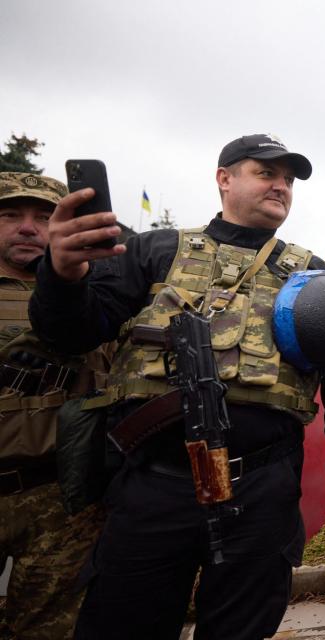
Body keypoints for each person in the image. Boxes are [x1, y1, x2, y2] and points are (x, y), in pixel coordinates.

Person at [28, 134, 325, 639]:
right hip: (155, 482)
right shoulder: (154, 250)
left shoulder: (311, 274)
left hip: (260, 489)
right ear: (224, 178)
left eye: (288, 179)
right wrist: (61, 274)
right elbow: (71, 332)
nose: (281, 185)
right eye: (265, 172)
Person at [0, 172, 108, 639]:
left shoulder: (96, 300)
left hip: (59, 499)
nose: (28, 228)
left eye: (44, 217)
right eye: (10, 215)